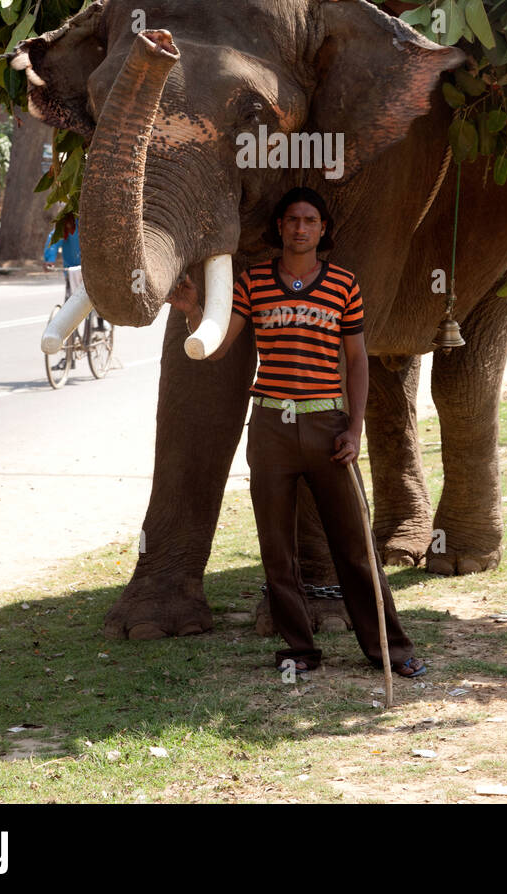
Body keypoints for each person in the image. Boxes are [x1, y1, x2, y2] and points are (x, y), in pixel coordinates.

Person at [167, 187, 424, 678]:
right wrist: (193, 313)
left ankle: (390, 650)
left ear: (322, 229)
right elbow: (219, 350)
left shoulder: (343, 285)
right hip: (271, 427)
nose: (300, 228)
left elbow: (357, 361)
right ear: (279, 228)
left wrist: (354, 430)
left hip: (328, 426)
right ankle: (299, 652)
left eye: (309, 220)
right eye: (292, 220)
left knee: (354, 547)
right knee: (276, 550)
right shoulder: (254, 282)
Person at [43, 218, 82, 301]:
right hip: (71, 270)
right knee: (71, 303)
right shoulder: (69, 220)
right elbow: (55, 240)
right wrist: (50, 259)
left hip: (93, 270)